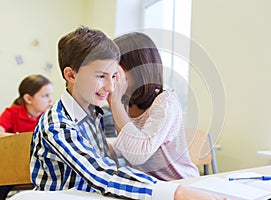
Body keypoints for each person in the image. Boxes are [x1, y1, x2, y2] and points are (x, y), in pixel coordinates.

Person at [30, 26, 225, 200]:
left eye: (115, 76)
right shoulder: (59, 125)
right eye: (101, 76)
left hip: (173, 183)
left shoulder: (93, 113)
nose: (110, 86)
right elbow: (101, 173)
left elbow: (110, 160)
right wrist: (176, 193)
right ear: (71, 75)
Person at [109, 32, 199, 181]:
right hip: (150, 186)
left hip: (180, 183)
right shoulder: (126, 103)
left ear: (138, 69)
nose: (112, 76)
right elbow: (124, 144)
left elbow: (138, 154)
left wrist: (115, 103)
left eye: (116, 70)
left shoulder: (165, 102)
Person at [0, 74, 53, 200]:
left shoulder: (48, 117)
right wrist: (20, 140)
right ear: (28, 98)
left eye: (50, 95)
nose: (51, 100)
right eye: (45, 96)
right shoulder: (12, 113)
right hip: (13, 168)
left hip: (38, 167)